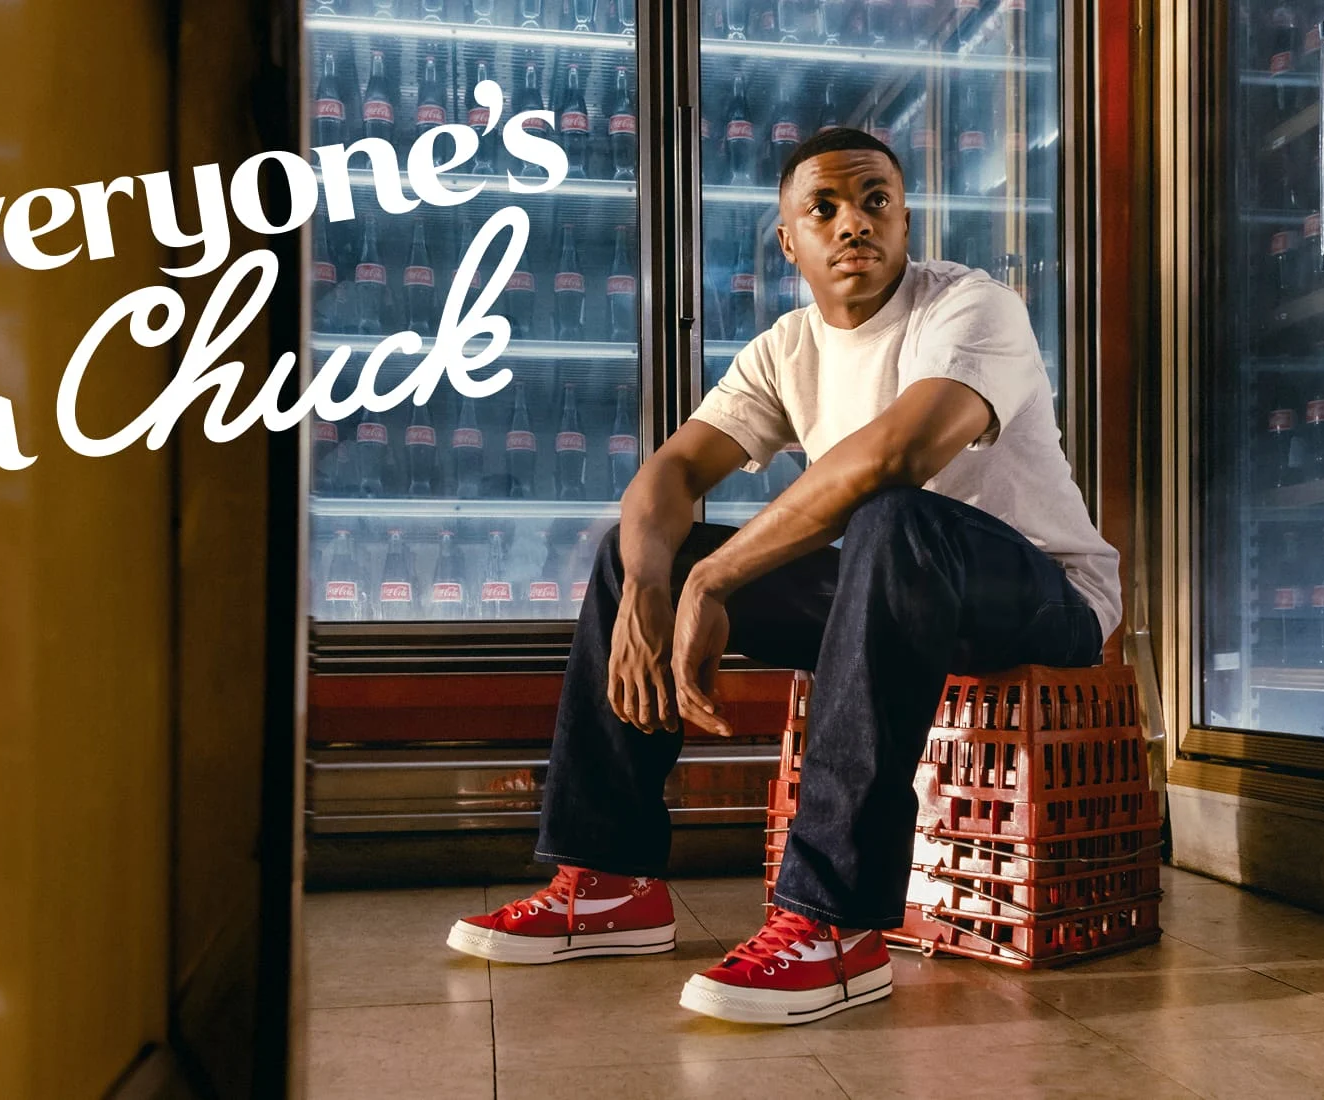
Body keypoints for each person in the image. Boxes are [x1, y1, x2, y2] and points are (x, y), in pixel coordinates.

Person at [445, 127, 1121, 1025]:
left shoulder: (971, 305)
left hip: (1043, 596)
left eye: (876, 202)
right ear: (788, 242)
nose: (854, 224)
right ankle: (609, 881)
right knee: (641, 549)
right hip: (896, 593)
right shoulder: (787, 347)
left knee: (890, 517)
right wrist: (654, 588)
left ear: (906, 220)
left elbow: (897, 455)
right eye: (825, 209)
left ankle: (835, 925)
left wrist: (713, 583)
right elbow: (670, 474)